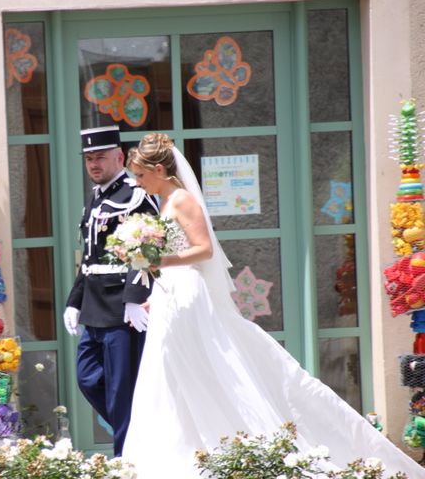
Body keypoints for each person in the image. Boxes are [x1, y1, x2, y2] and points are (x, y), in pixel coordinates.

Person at [122, 133, 424, 478]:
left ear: (159, 169)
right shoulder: (164, 202)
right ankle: (182, 450)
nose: (138, 182)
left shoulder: (182, 200)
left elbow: (204, 250)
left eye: (141, 175)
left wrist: (163, 260)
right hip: (170, 293)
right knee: (172, 370)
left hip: (189, 292)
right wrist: (154, 291)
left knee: (201, 366)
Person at [63, 125, 159, 457]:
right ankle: (139, 431)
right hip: (94, 308)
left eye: (100, 157)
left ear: (119, 156)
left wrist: (135, 299)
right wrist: (74, 302)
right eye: (89, 158)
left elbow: (149, 248)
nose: (93, 164)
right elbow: (89, 258)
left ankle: (126, 459)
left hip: (122, 311)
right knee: (88, 378)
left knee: (121, 391)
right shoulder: (96, 196)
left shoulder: (135, 195)